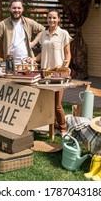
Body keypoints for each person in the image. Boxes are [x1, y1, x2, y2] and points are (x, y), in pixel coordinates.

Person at [31, 8, 72, 136]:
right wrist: (33, 59)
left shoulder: (63, 33)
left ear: (58, 19)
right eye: (49, 17)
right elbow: (43, 54)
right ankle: (53, 127)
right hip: (45, 72)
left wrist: (65, 68)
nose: (52, 20)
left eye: (54, 18)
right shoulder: (43, 34)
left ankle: (63, 128)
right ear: (47, 19)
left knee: (57, 104)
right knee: (49, 102)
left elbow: (67, 54)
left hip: (58, 73)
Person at [0, 0, 45, 64]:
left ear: (22, 9)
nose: (16, 10)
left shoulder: (28, 22)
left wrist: (33, 43)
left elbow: (42, 30)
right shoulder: (3, 24)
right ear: (10, 9)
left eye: (19, 8)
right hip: (10, 64)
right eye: (14, 8)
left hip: (27, 62)